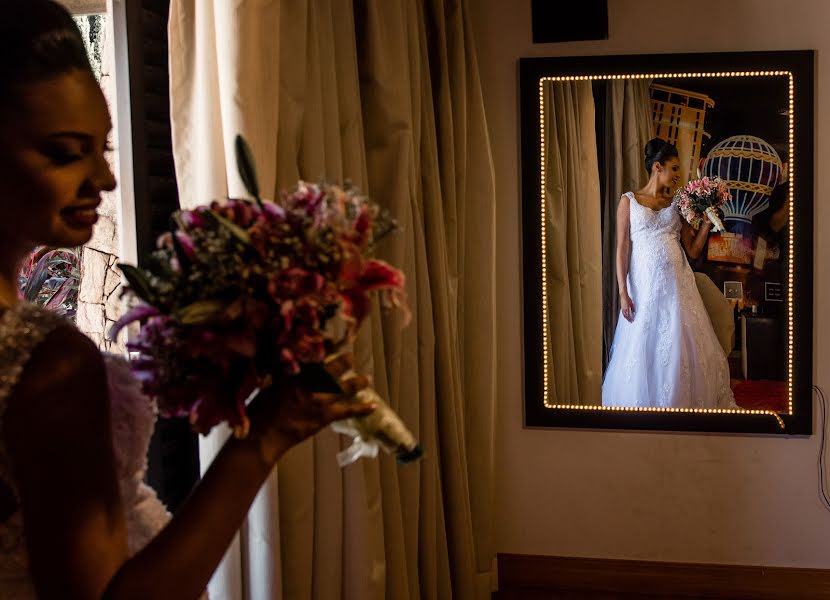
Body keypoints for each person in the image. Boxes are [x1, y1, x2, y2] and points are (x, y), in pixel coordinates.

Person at [0, 3, 376, 598]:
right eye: (65, 151)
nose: (105, 177)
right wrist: (265, 440)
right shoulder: (45, 365)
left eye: (103, 146)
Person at [602, 138, 737, 409]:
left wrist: (707, 222)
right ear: (657, 167)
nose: (677, 175)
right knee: (644, 350)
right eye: (673, 168)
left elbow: (693, 250)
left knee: (678, 351)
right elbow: (621, 249)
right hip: (643, 288)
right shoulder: (628, 202)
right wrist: (623, 293)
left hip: (678, 288)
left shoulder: (678, 204)